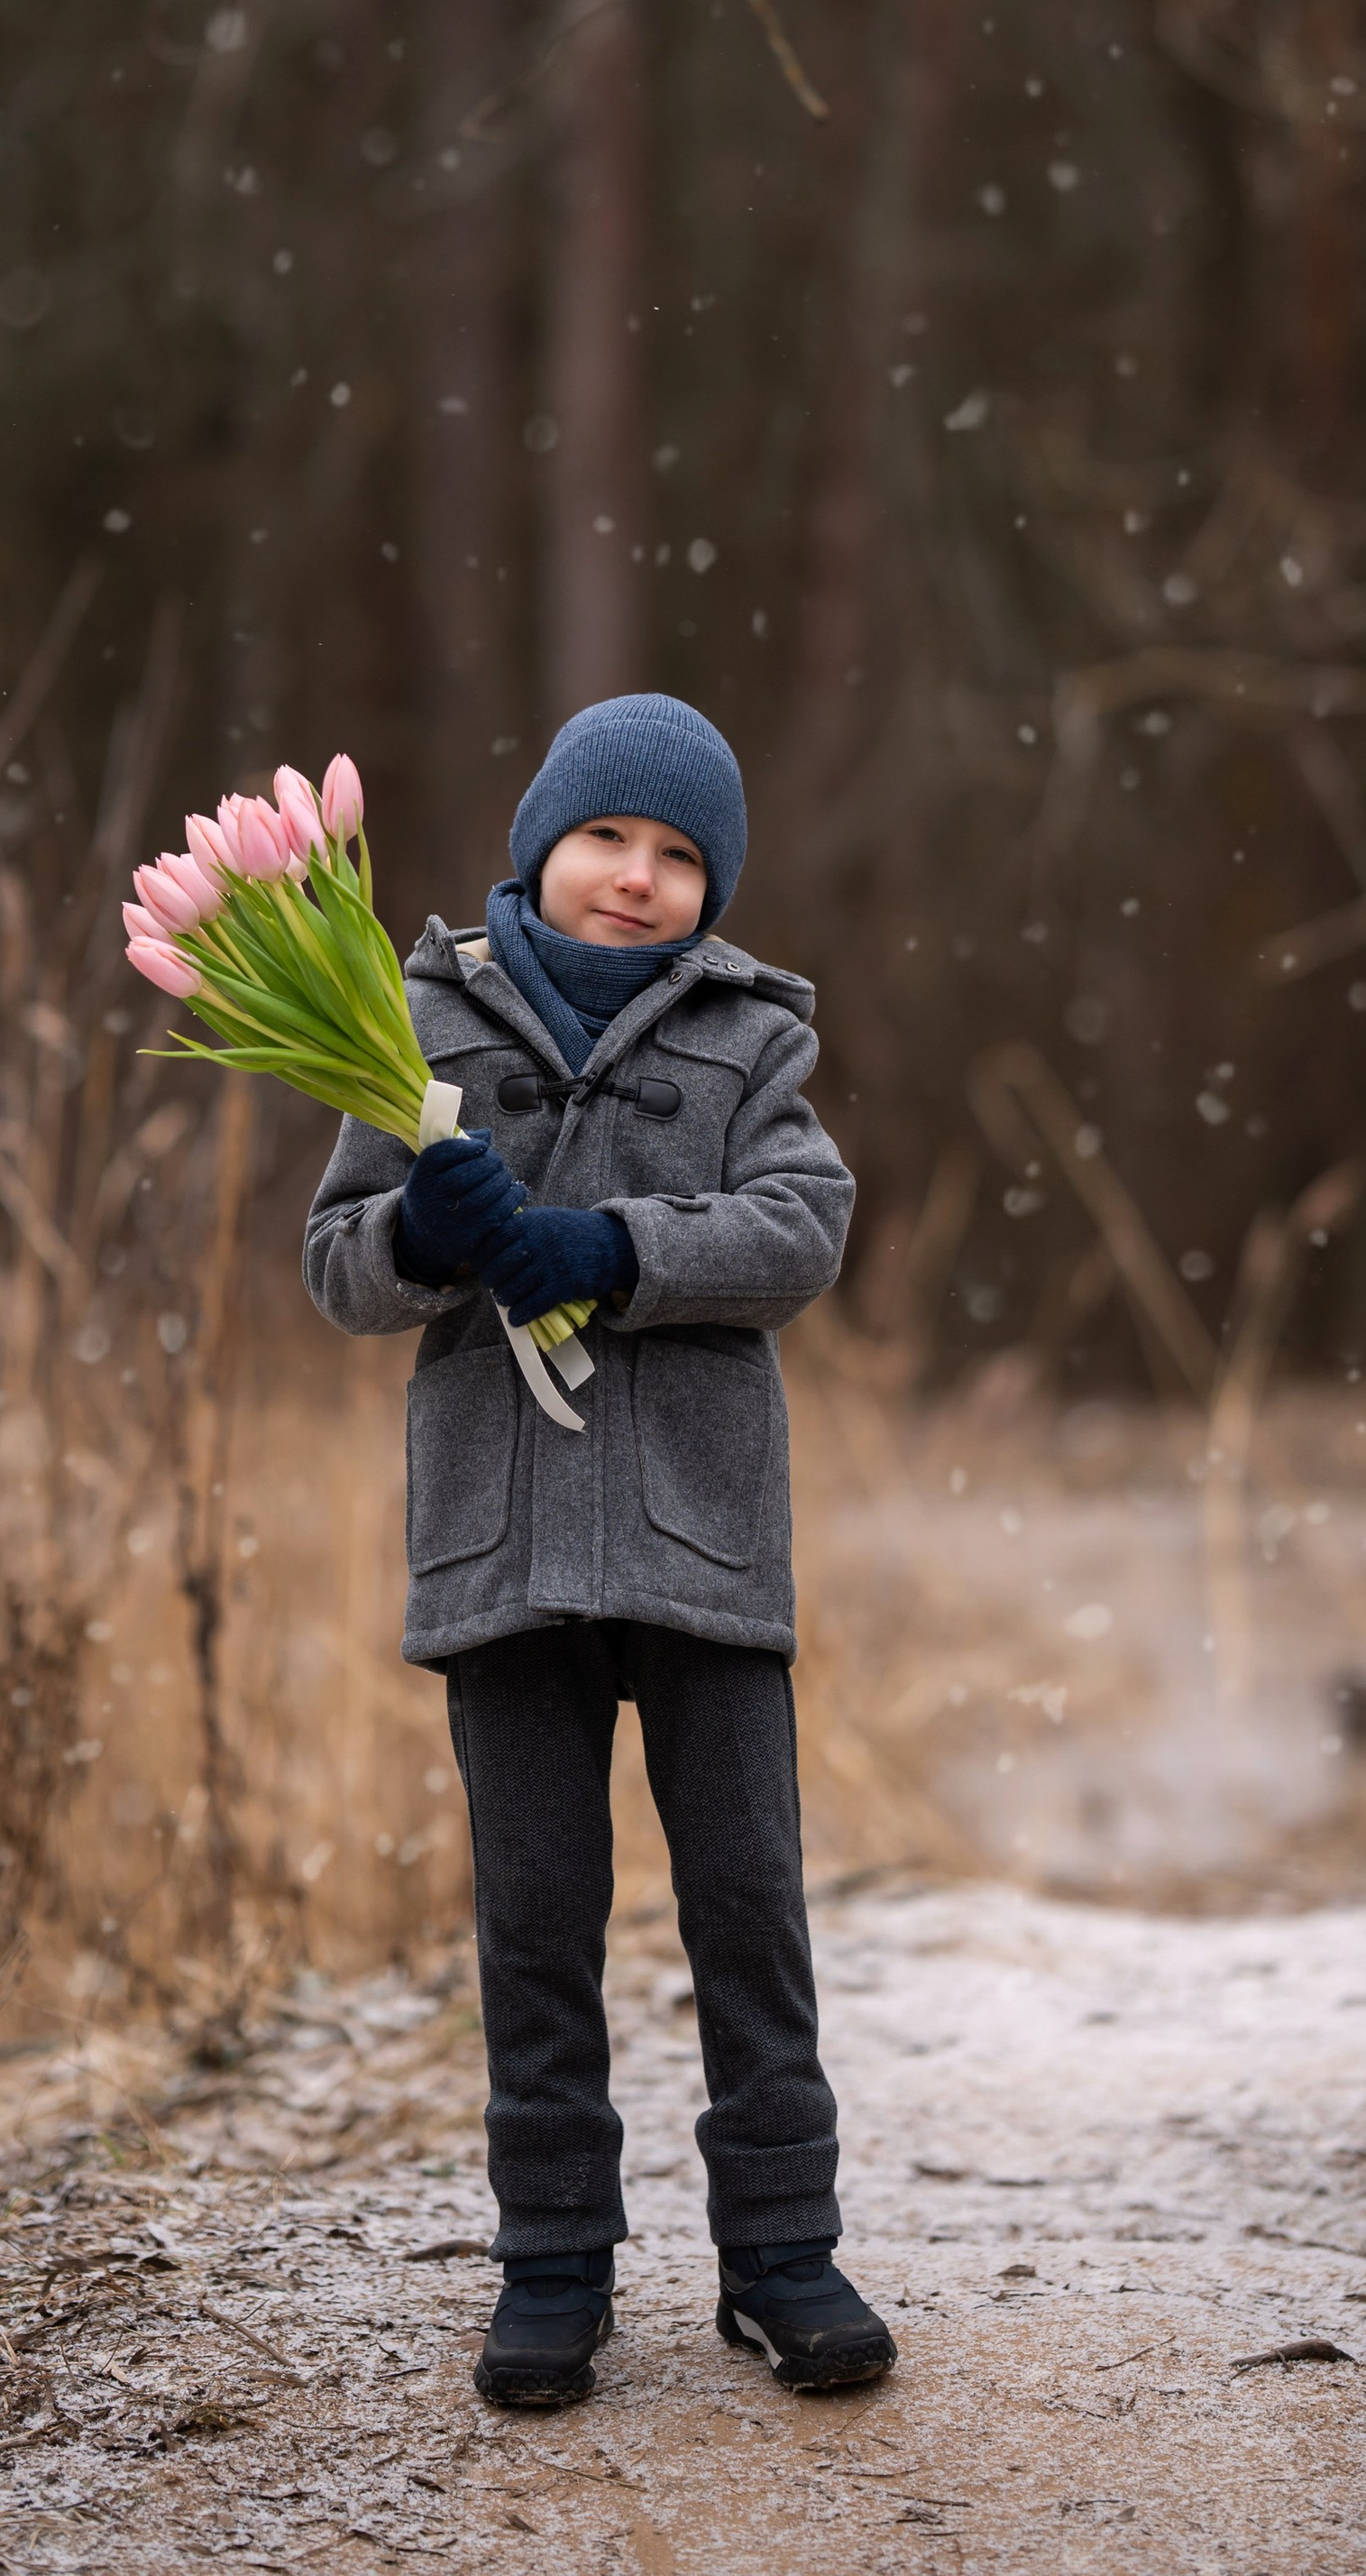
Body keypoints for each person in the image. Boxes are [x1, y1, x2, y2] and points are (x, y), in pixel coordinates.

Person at [303, 691, 895, 2410]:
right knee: (536, 1924)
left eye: (678, 857)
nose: (635, 882)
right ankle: (552, 2270)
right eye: (606, 841)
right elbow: (339, 1267)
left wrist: (601, 1248)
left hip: (700, 1547)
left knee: (746, 1912)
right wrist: (425, 1227)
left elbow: (801, 1228)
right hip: (501, 1557)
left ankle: (784, 2257)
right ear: (539, 845)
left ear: (711, 889)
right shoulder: (407, 1025)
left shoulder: (750, 1034)